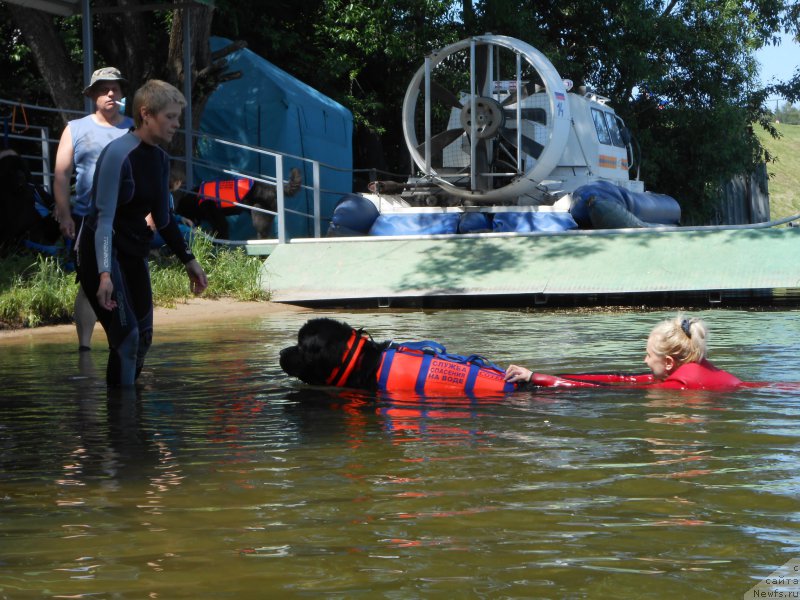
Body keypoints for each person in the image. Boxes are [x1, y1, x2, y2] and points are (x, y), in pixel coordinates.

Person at [76, 79, 208, 387]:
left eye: (178, 117)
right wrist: (105, 275)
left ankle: (129, 423)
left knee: (143, 338)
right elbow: (104, 220)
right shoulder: (118, 154)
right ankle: (120, 426)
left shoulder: (160, 158)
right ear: (146, 114)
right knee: (126, 338)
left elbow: (163, 219)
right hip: (100, 253)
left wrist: (188, 259)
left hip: (133, 251)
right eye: (170, 117)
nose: (176, 125)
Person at [54, 67, 135, 351]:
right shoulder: (75, 128)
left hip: (127, 220)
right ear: (92, 95)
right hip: (89, 218)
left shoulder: (133, 129)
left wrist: (150, 213)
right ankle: (85, 347)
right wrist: (64, 213)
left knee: (128, 278)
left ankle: (126, 341)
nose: (110, 93)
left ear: (123, 93)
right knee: (88, 283)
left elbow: (148, 175)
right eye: (103, 89)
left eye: (115, 88)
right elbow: (62, 174)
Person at [504, 315, 742, 390]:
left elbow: (594, 390)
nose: (644, 360)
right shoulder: (684, 372)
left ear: (669, 362)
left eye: (649, 355)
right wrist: (544, 373)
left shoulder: (676, 387)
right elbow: (621, 379)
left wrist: (535, 378)